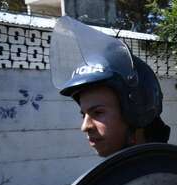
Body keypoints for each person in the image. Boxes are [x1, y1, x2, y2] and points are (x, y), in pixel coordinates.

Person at [52, 20, 170, 157]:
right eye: (83, 115)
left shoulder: (165, 176)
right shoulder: (127, 174)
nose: (85, 127)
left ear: (137, 112)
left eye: (98, 112)